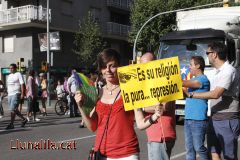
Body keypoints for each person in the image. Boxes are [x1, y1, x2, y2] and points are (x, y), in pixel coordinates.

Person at [74, 48, 140, 159]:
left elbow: (144, 112)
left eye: (112, 66)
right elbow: (93, 127)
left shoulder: (130, 89)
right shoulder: (96, 93)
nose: (108, 70)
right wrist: (80, 106)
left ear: (119, 67)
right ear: (101, 70)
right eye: (104, 67)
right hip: (103, 154)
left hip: (127, 153)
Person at [184, 42, 240, 160]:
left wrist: (191, 95)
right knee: (214, 153)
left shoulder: (228, 71)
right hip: (214, 117)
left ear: (214, 54)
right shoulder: (216, 72)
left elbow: (216, 94)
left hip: (227, 118)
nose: (207, 55)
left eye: (207, 53)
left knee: (229, 156)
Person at [134, 52, 176, 160]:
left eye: (147, 64)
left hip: (162, 135)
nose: (144, 68)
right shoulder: (145, 83)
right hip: (154, 136)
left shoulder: (166, 80)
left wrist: (142, 107)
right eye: (142, 65)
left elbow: (166, 106)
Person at [182, 56, 210, 160]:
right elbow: (185, 92)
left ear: (198, 66)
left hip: (198, 120)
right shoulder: (193, 79)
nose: (189, 67)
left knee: (198, 147)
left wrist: (171, 77)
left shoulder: (203, 79)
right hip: (188, 118)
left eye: (191, 65)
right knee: (189, 149)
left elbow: (184, 83)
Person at [5, 63, 28, 129]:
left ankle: (11, 124)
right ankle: (24, 119)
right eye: (10, 68)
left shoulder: (18, 74)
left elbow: (22, 84)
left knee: (13, 109)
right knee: (14, 109)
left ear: (15, 68)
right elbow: (9, 86)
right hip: (10, 94)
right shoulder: (9, 76)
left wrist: (23, 94)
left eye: (12, 68)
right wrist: (5, 93)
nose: (10, 69)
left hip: (16, 93)